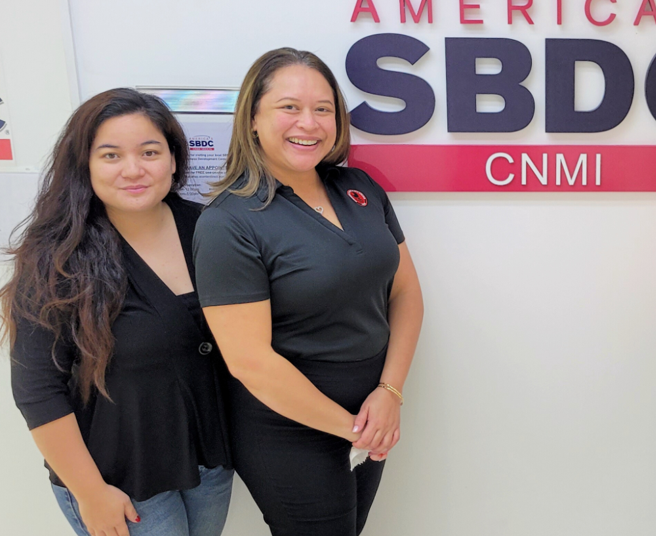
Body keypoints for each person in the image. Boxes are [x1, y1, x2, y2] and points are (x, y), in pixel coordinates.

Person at [194, 48, 424, 536]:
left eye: (324, 108)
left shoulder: (360, 188)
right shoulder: (229, 223)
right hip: (288, 430)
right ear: (253, 119)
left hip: (373, 411)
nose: (310, 122)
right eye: (289, 107)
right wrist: (355, 430)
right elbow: (249, 361)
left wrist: (389, 393)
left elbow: (405, 293)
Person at [3, 88, 234, 536]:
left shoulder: (211, 229)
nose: (133, 170)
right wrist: (90, 493)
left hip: (209, 464)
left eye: (150, 151)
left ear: (173, 158)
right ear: (84, 165)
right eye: (110, 155)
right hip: (118, 480)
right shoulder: (56, 258)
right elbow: (37, 390)